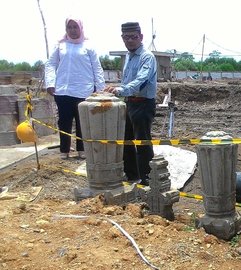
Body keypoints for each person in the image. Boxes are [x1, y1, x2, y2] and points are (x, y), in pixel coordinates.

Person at [45, 17, 106, 160]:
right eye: (69, 27)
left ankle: (82, 150)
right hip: (63, 90)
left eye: (75, 27)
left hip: (84, 91)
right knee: (64, 122)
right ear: (66, 29)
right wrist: (50, 83)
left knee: (82, 121)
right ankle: (64, 150)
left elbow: (97, 69)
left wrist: (100, 88)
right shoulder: (60, 46)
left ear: (81, 28)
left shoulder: (88, 47)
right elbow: (50, 65)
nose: (72, 30)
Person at [104, 22, 157, 186]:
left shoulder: (147, 57)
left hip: (143, 104)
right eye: (126, 37)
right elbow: (127, 80)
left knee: (142, 142)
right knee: (126, 139)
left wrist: (120, 90)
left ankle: (147, 180)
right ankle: (132, 175)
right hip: (129, 103)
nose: (130, 40)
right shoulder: (128, 56)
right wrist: (118, 89)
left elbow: (141, 81)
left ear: (141, 37)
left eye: (134, 37)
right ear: (122, 38)